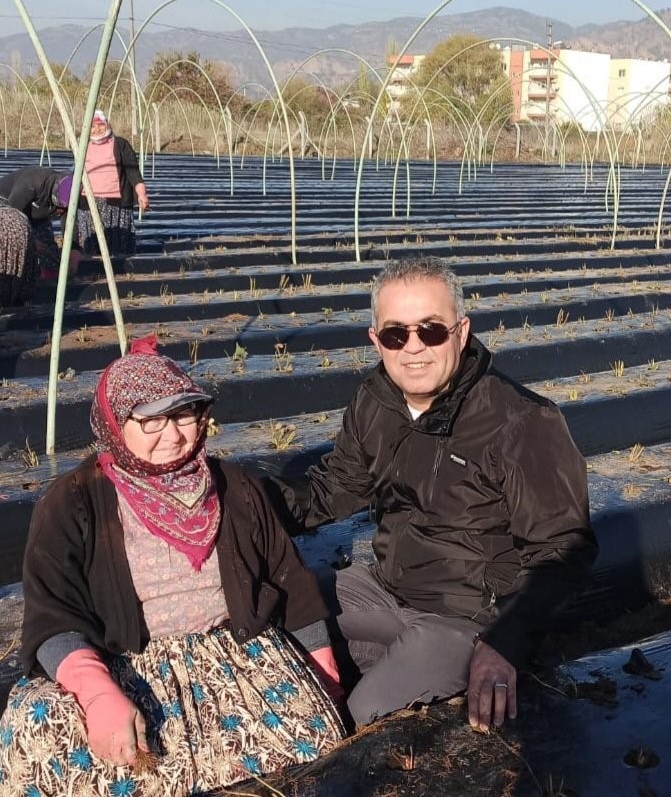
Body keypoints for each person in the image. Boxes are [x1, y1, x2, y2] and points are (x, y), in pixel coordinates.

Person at [0, 337, 343, 795]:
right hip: (123, 665)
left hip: (232, 660)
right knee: (39, 732)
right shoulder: (73, 500)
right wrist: (97, 691)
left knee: (312, 746)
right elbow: (52, 614)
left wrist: (325, 674)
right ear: (115, 423)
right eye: (151, 419)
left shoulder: (235, 487)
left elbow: (291, 583)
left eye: (185, 413)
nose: (174, 434)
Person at [271, 255, 597, 731]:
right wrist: (238, 505)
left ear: (461, 332)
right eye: (396, 334)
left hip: (469, 617)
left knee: (367, 717)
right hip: (385, 586)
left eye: (432, 330)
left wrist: (505, 640)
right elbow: (334, 487)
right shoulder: (375, 400)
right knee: (276, 619)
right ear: (376, 339)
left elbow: (563, 548)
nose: (414, 348)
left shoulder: (522, 422)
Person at [76, 109, 149, 256]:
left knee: (117, 247)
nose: (97, 129)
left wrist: (142, 194)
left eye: (100, 125)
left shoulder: (121, 144)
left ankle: (120, 273)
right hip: (89, 203)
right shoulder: (82, 146)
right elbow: (76, 174)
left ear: (107, 124)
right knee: (92, 244)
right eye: (92, 126)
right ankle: (94, 273)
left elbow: (133, 172)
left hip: (116, 205)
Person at [0, 166, 76, 305]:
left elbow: (69, 224)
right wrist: (31, 241)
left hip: (35, 215)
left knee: (50, 255)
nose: (59, 211)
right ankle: (13, 291)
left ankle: (46, 279)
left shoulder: (72, 190)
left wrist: (73, 249)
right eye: (58, 207)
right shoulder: (32, 182)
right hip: (7, 213)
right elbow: (14, 217)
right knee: (19, 253)